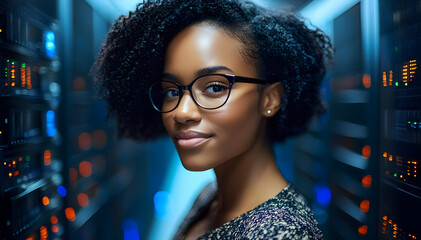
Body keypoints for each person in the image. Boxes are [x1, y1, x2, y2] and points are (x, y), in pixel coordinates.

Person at [92, 0, 333, 239]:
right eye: (171, 91)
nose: (182, 112)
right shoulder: (211, 195)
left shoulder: (284, 233)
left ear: (270, 99)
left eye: (215, 87)